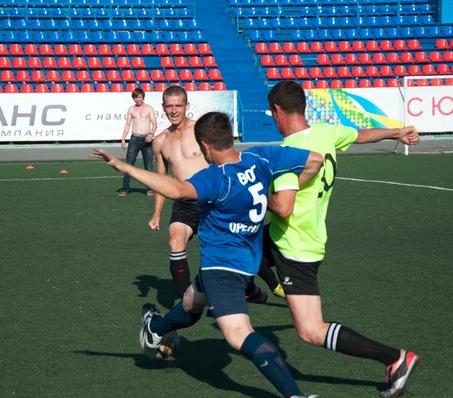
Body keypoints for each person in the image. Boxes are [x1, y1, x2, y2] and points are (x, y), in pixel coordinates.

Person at [91, 112, 325, 398]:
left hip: (222, 270)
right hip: (247, 262)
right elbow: (315, 160)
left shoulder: (216, 178)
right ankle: (156, 328)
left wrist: (127, 168)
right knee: (191, 301)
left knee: (239, 333)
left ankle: (295, 396)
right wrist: (282, 196)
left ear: (204, 146)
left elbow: (177, 188)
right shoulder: (261, 157)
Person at [261, 81, 422, 397]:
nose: (273, 120)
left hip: (295, 247)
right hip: (297, 237)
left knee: (310, 330)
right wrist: (396, 132)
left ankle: (395, 358)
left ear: (278, 111)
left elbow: (282, 207)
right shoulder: (324, 133)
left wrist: (258, 192)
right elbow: (360, 135)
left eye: (272, 114)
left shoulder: (288, 155)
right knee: (237, 252)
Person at [148, 86, 283, 301]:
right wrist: (156, 214)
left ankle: (257, 287)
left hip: (214, 198)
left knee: (232, 246)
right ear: (163, 107)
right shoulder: (160, 142)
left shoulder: (200, 131)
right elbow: (161, 180)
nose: (173, 110)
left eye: (178, 105)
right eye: (169, 106)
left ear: (186, 106)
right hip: (185, 202)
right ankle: (187, 302)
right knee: (175, 240)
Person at [119, 88, 157, 197]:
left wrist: (151, 134)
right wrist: (123, 138)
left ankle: (150, 189)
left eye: (140, 97)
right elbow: (127, 124)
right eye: (136, 97)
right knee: (129, 164)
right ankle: (125, 188)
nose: (138, 99)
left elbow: (154, 123)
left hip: (147, 139)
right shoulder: (131, 109)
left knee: (149, 165)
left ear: (143, 97)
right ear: (133, 98)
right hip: (134, 139)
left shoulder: (149, 108)